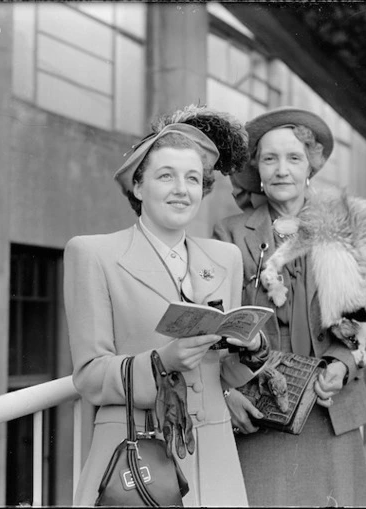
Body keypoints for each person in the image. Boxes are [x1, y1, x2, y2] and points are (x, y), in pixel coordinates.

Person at [64, 106, 270, 506]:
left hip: (213, 450)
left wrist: (252, 349)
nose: (182, 189)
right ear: (138, 188)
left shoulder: (224, 257)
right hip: (137, 449)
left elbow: (222, 371)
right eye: (166, 176)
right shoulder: (94, 253)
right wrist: (162, 361)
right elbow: (89, 375)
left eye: (193, 178)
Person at [213, 107, 366, 506]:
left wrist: (343, 363)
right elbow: (219, 324)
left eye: (294, 158)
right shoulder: (230, 232)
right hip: (262, 406)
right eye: (269, 158)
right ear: (256, 167)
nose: (281, 169)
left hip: (331, 405)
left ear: (312, 165)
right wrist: (230, 389)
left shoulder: (348, 222)